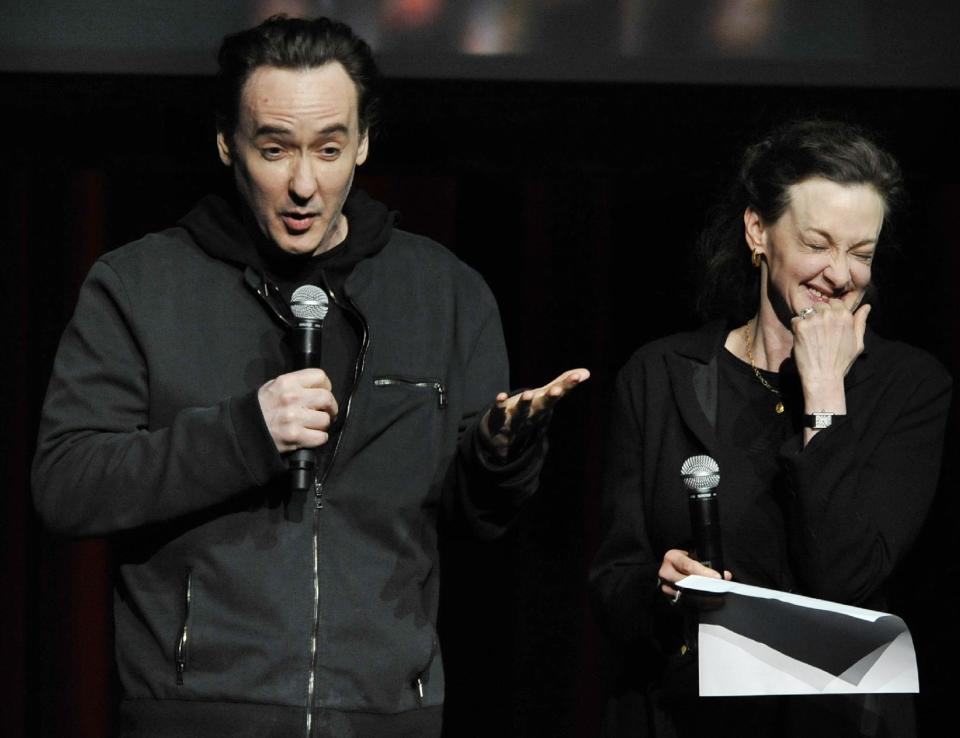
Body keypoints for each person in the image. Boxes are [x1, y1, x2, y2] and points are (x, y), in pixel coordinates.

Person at [31, 15, 588, 738]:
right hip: (198, 713)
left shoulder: (446, 292)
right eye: (275, 148)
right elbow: (67, 484)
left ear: (362, 142)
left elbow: (477, 515)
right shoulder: (140, 286)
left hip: (387, 714)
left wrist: (500, 456)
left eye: (328, 149)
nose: (303, 183)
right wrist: (243, 434)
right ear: (228, 143)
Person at [589, 119, 951, 737]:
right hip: (685, 717)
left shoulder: (909, 387)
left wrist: (825, 395)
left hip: (837, 724)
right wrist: (665, 590)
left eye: (861, 253)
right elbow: (612, 582)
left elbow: (842, 577)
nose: (840, 275)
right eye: (818, 244)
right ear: (759, 231)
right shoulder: (662, 376)